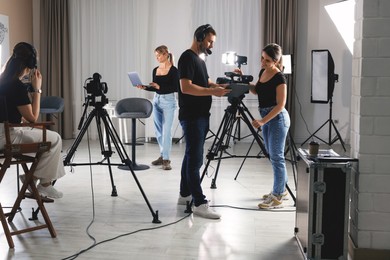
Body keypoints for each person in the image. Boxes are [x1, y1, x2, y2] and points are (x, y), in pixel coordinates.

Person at [177, 24, 231, 219]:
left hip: (200, 115)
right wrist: (211, 91)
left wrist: (218, 86)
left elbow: (204, 80)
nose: (211, 45)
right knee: (196, 159)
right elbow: (186, 87)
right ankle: (199, 203)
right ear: (199, 37)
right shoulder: (187, 58)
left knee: (191, 156)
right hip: (192, 116)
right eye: (209, 41)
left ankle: (185, 194)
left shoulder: (199, 59)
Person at [0, 42, 65, 199]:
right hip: (6, 139)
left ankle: (32, 178)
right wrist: (37, 89)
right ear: (28, 67)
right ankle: (43, 184)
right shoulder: (16, 86)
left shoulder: (2, 80)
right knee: (54, 139)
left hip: (5, 133)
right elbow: (32, 118)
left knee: (44, 138)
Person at [237, 43, 290, 209]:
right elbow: (257, 90)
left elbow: (280, 105)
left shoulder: (279, 77)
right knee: (273, 155)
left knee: (277, 156)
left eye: (266, 60)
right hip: (267, 118)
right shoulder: (263, 72)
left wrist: (262, 121)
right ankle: (281, 189)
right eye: (262, 58)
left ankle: (277, 195)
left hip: (277, 118)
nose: (262, 62)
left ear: (275, 61)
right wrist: (244, 78)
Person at [138, 45, 179, 171]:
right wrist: (145, 87)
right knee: (159, 131)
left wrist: (159, 87)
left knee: (166, 132)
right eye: (156, 56)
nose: (157, 58)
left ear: (166, 54)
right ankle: (162, 156)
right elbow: (155, 87)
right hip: (157, 101)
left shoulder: (174, 70)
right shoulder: (155, 69)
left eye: (159, 55)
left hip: (169, 101)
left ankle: (166, 159)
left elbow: (175, 88)